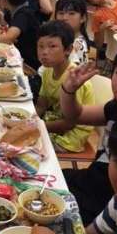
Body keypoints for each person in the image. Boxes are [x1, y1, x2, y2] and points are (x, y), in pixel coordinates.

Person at [60, 44, 117, 226]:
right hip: (93, 180)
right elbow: (75, 115)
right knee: (45, 181)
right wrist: (69, 89)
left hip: (113, 200)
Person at [36, 20, 94, 152]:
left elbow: (69, 124)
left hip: (71, 137)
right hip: (54, 124)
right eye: (40, 46)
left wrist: (38, 127)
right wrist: (31, 121)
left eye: (52, 46)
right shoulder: (47, 71)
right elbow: (41, 104)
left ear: (68, 50)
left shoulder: (74, 79)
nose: (44, 52)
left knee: (29, 148)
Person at [0, 0, 41, 70]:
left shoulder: (24, 14)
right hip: (17, 57)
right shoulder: (14, 9)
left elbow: (9, 38)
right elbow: (1, 22)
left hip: (28, 65)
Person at [55, 0, 90, 65]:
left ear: (83, 18)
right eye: (61, 13)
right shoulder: (60, 38)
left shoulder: (79, 44)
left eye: (71, 13)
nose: (64, 18)